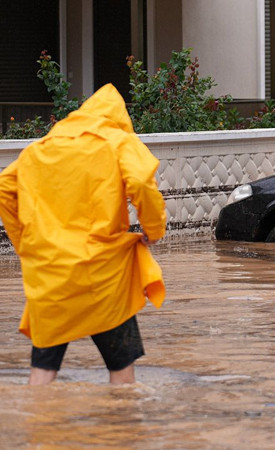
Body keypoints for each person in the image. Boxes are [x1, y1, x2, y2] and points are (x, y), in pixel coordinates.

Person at [0, 84, 167, 385]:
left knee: (43, 368)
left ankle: (38, 427)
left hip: (50, 274)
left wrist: (24, 242)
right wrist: (153, 230)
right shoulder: (118, 142)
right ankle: (121, 430)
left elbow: (3, 189)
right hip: (102, 274)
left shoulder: (40, 149)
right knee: (121, 366)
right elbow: (142, 183)